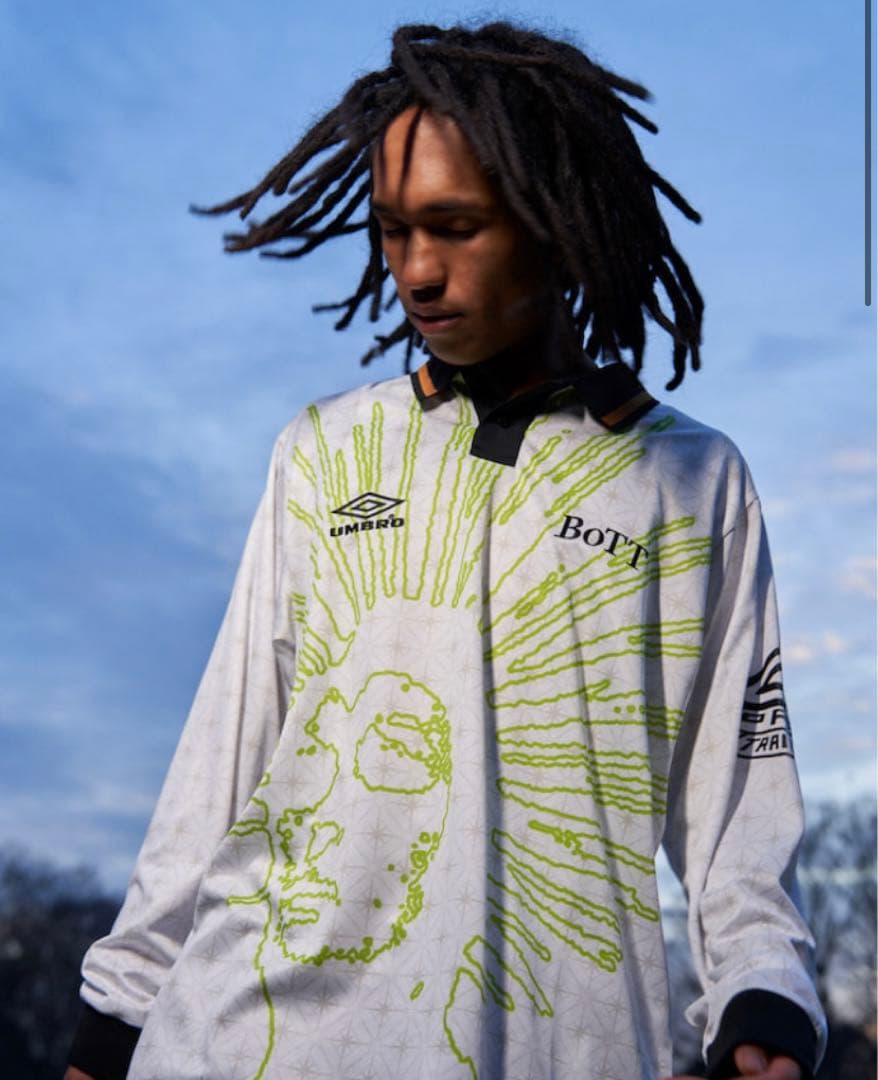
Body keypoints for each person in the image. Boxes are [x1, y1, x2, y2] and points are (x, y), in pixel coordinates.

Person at [66, 21, 826, 1080]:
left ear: (555, 221)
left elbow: (738, 799)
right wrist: (116, 1017)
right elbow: (224, 759)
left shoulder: (691, 482)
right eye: (393, 231)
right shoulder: (324, 451)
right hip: (246, 1043)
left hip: (563, 1051)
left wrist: (763, 994)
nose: (416, 271)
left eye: (455, 226)